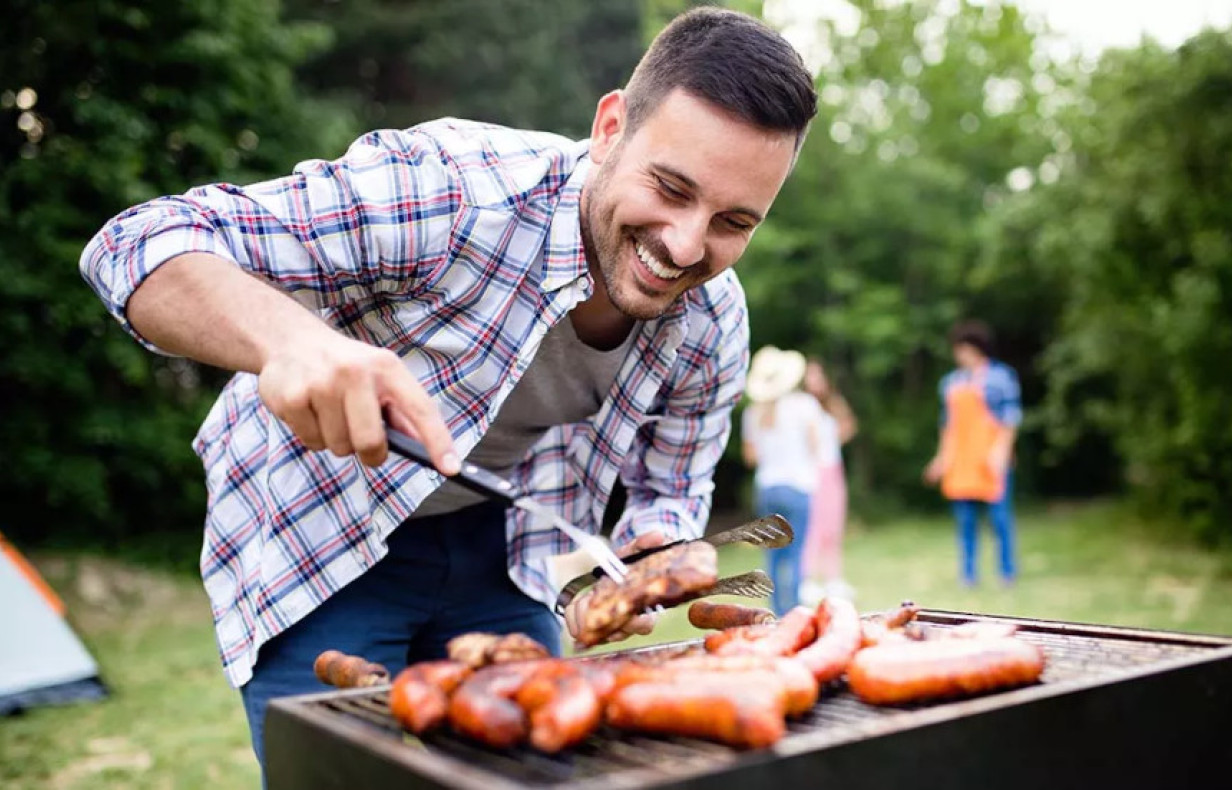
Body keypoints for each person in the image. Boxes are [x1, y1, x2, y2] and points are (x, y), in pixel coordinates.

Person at [77, 8, 816, 769]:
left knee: (535, 771)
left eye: (733, 221)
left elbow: (672, 487)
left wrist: (647, 549)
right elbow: (135, 243)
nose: (686, 245)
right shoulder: (453, 190)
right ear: (609, 128)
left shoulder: (714, 323)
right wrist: (291, 340)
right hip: (325, 537)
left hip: (509, 555)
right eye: (669, 186)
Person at [922, 320, 1022, 587]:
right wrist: (941, 459)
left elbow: (1010, 419)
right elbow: (948, 426)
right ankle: (968, 575)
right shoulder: (951, 382)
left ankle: (1007, 572)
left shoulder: (1001, 377)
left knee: (1000, 520)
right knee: (965, 522)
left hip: (990, 459)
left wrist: (1000, 452)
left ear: (973, 348)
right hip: (961, 461)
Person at [741, 346, 823, 615]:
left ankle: (775, 610)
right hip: (798, 486)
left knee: (772, 554)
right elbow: (815, 445)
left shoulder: (752, 413)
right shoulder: (804, 405)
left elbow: (750, 457)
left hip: (767, 488)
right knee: (797, 552)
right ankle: (797, 609)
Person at [798, 358, 858, 604]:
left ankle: (833, 578)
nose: (815, 381)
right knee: (813, 526)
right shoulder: (800, 406)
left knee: (833, 525)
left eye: (818, 375)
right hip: (810, 472)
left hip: (832, 468)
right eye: (811, 376)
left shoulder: (833, 403)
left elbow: (849, 426)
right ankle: (808, 580)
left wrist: (833, 440)